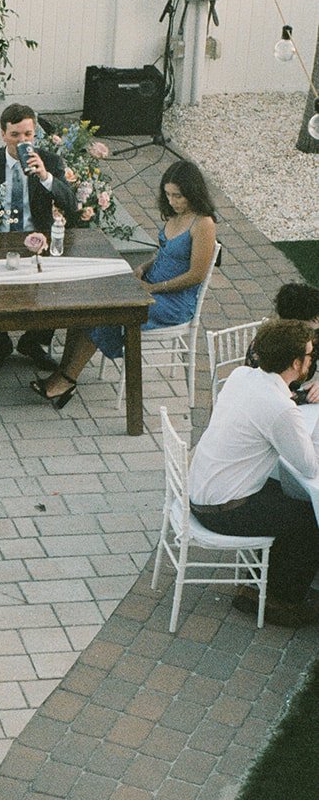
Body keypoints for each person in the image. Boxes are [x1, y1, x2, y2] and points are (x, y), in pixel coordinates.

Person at [34, 161, 217, 408]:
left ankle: (67, 379)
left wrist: (154, 288)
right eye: (168, 195)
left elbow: (196, 274)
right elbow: (165, 253)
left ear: (193, 193)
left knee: (106, 311)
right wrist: (143, 268)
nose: (172, 201)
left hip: (174, 302)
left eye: (178, 196)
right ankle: (63, 372)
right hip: (152, 286)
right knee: (87, 304)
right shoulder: (176, 215)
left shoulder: (203, 223)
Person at [189, 318, 319, 624]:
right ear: (296, 362)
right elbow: (308, 466)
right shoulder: (279, 409)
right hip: (223, 509)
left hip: (204, 489)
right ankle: (281, 601)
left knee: (290, 498)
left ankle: (257, 583)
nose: (313, 361)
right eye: (310, 356)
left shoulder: (241, 376)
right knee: (309, 519)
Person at [0, 103, 77, 376]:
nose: (22, 141)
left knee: (54, 284)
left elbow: (70, 204)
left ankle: (33, 342)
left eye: (28, 135)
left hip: (37, 239)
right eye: (15, 135)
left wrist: (45, 177)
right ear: (3, 135)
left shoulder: (50, 161)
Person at [245, 282, 319, 403]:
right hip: (265, 400)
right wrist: (306, 396)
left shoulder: (313, 336)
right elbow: (268, 396)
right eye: (314, 318)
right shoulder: (268, 350)